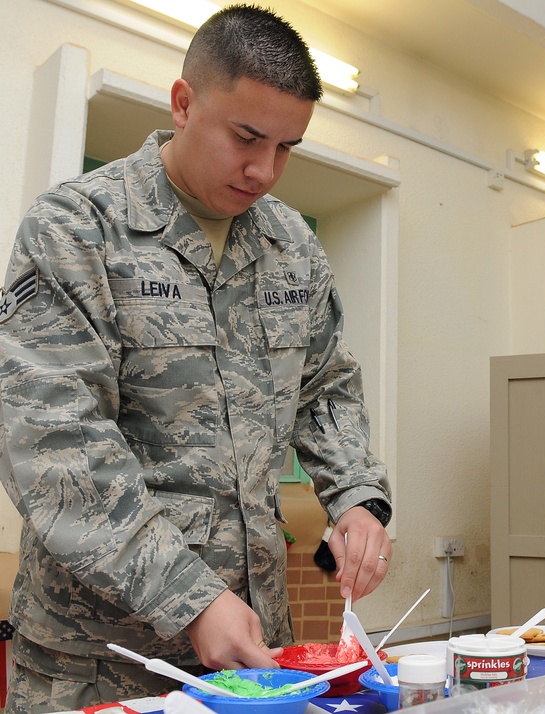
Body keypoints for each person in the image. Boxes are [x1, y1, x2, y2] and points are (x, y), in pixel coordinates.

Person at [0, 5, 392, 712]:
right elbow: (55, 443)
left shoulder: (290, 246)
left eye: (287, 147)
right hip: (100, 656)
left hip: (254, 650)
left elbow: (326, 385)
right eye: (247, 137)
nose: (265, 170)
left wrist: (356, 497)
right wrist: (187, 596)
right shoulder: (76, 228)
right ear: (184, 104)